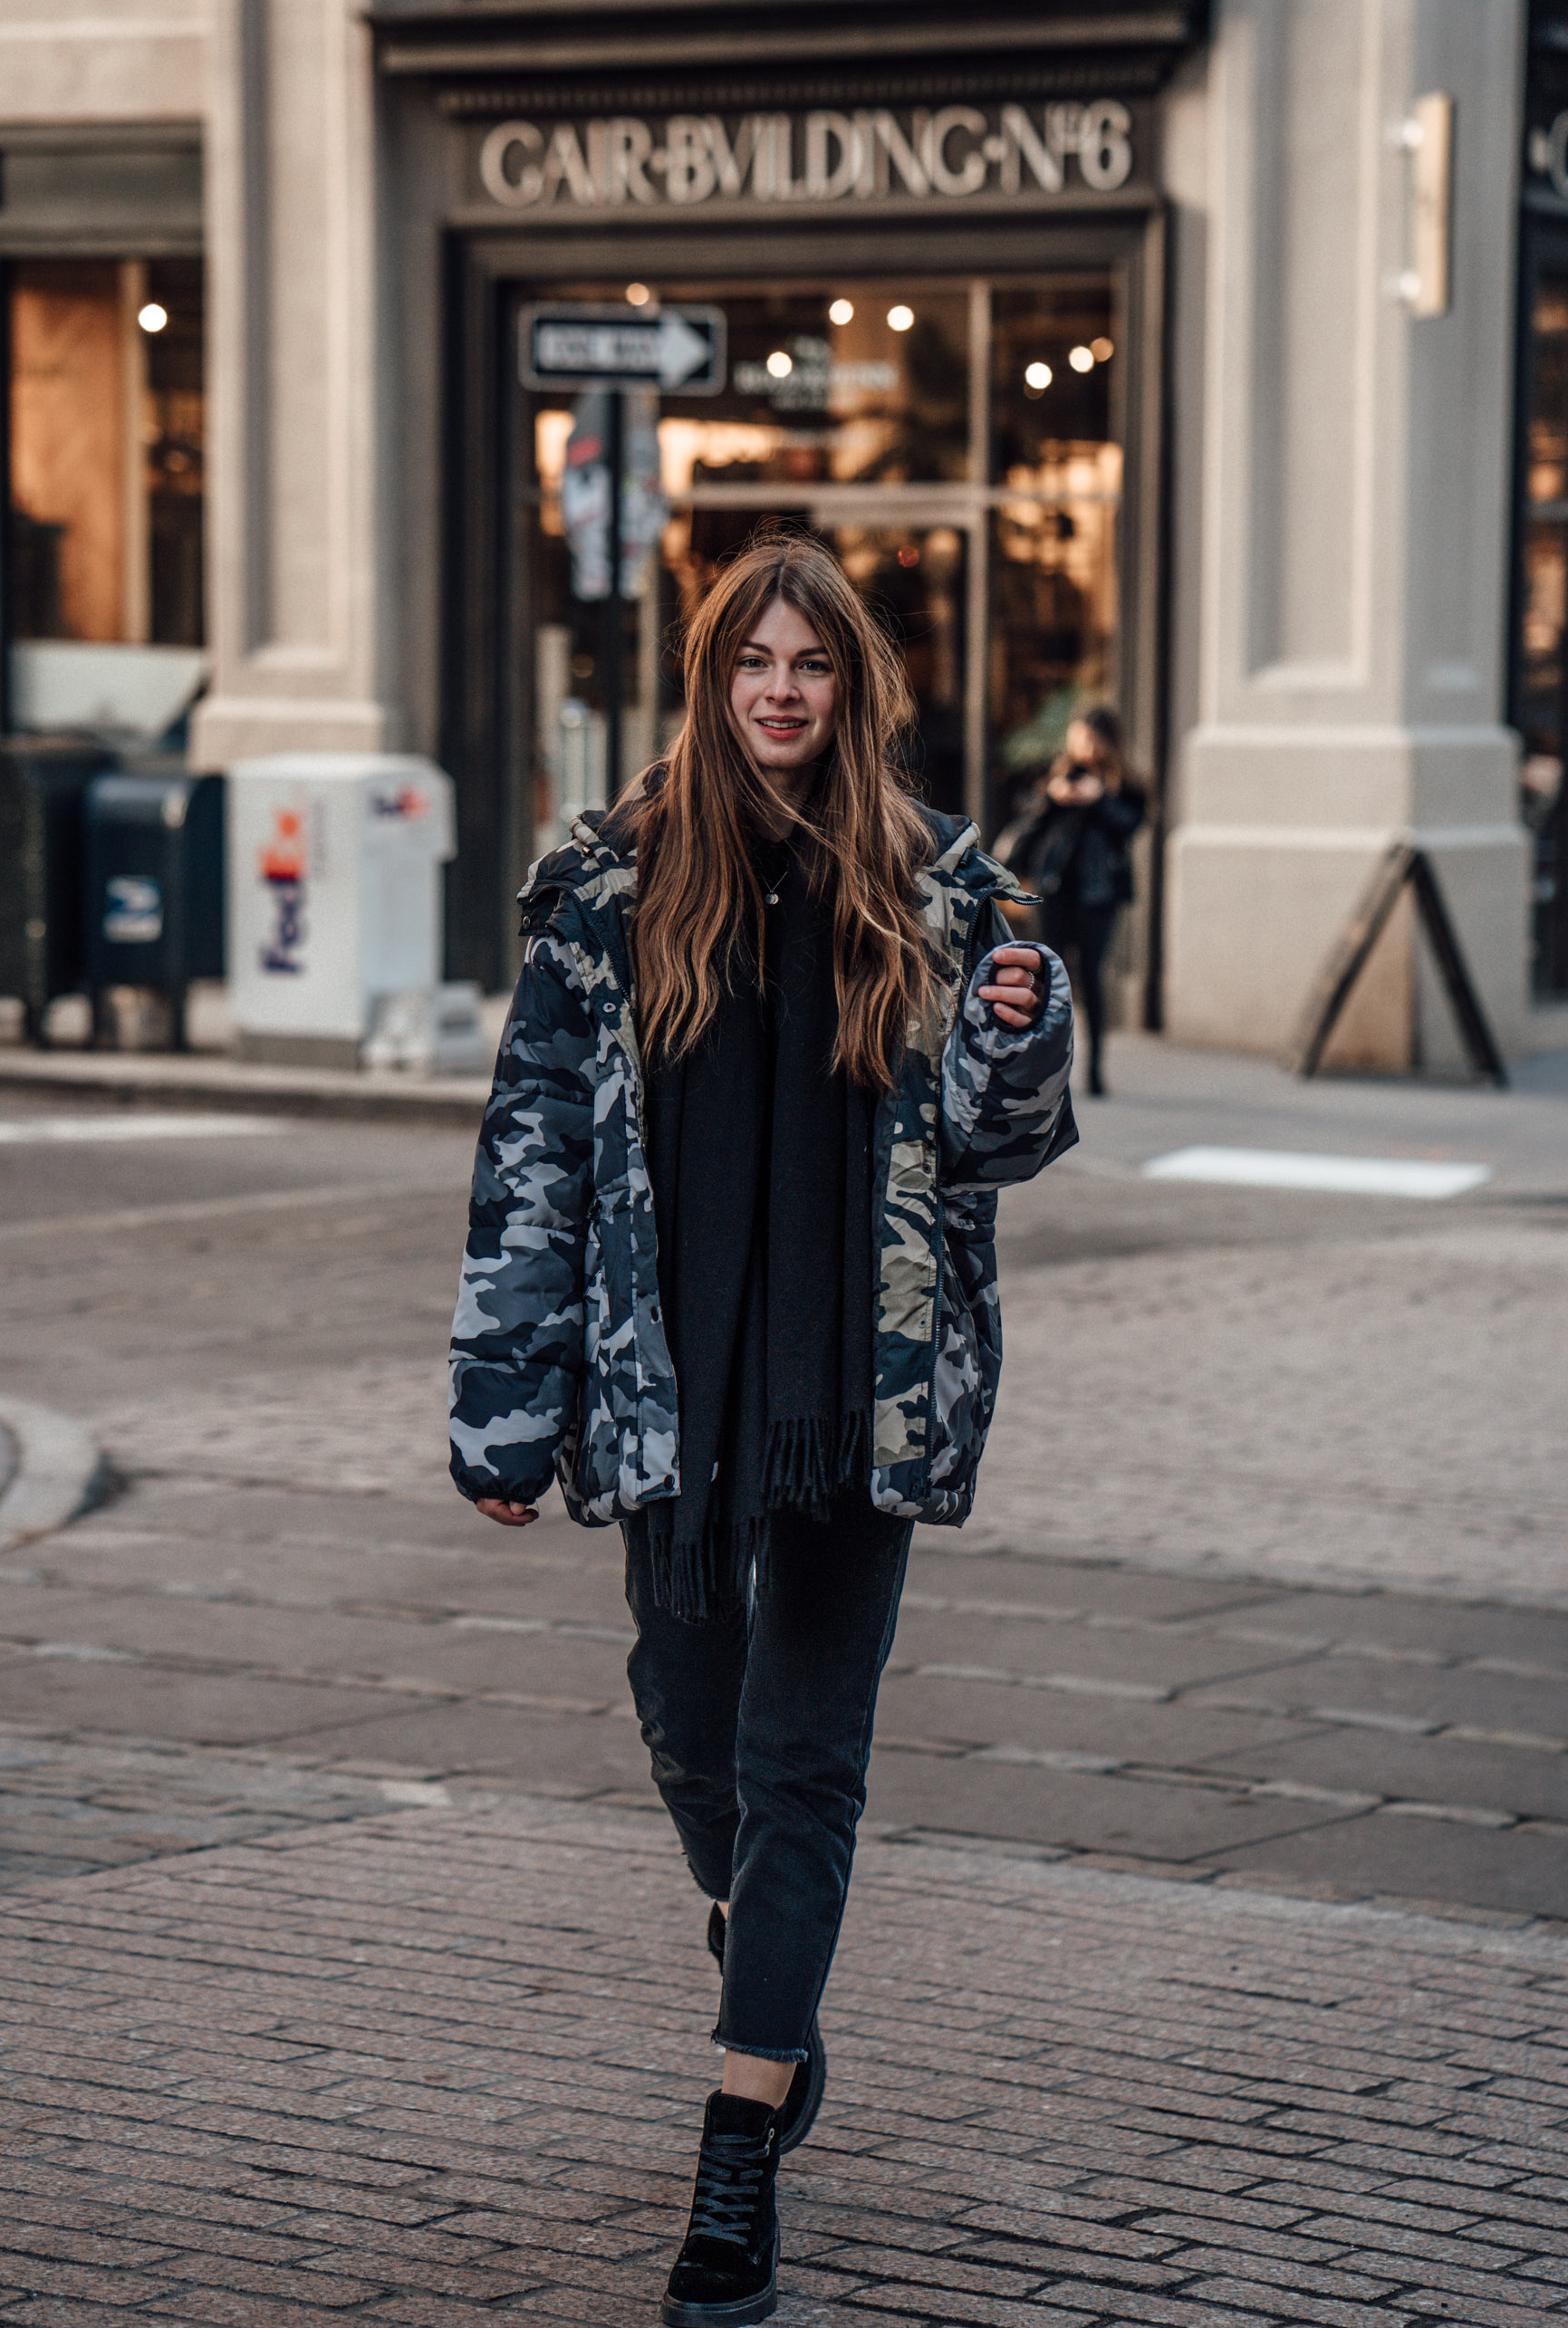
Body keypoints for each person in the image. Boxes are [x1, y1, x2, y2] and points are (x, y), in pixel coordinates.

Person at [448, 535, 1074, 2328]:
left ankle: (736, 2156)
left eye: (813, 661)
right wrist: (503, 1403)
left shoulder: (942, 876)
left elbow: (1002, 1139)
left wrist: (1019, 1041)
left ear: (853, 681)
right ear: (711, 680)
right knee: (686, 1708)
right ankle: (764, 1944)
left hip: (855, 1391)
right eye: (754, 661)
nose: (784, 688)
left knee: (811, 1759)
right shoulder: (604, 876)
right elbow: (536, 1154)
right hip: (673, 1376)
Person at [1008, 704, 1148, 1097]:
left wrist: (1099, 799)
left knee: (1090, 979)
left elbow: (1132, 825)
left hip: (1098, 895)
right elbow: (1028, 822)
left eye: (1090, 738)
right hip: (1054, 889)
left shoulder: (1124, 782)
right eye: (1078, 736)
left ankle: (1096, 1069)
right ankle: (1044, 1064)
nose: (1083, 746)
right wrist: (1053, 797)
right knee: (1049, 977)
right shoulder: (1059, 771)